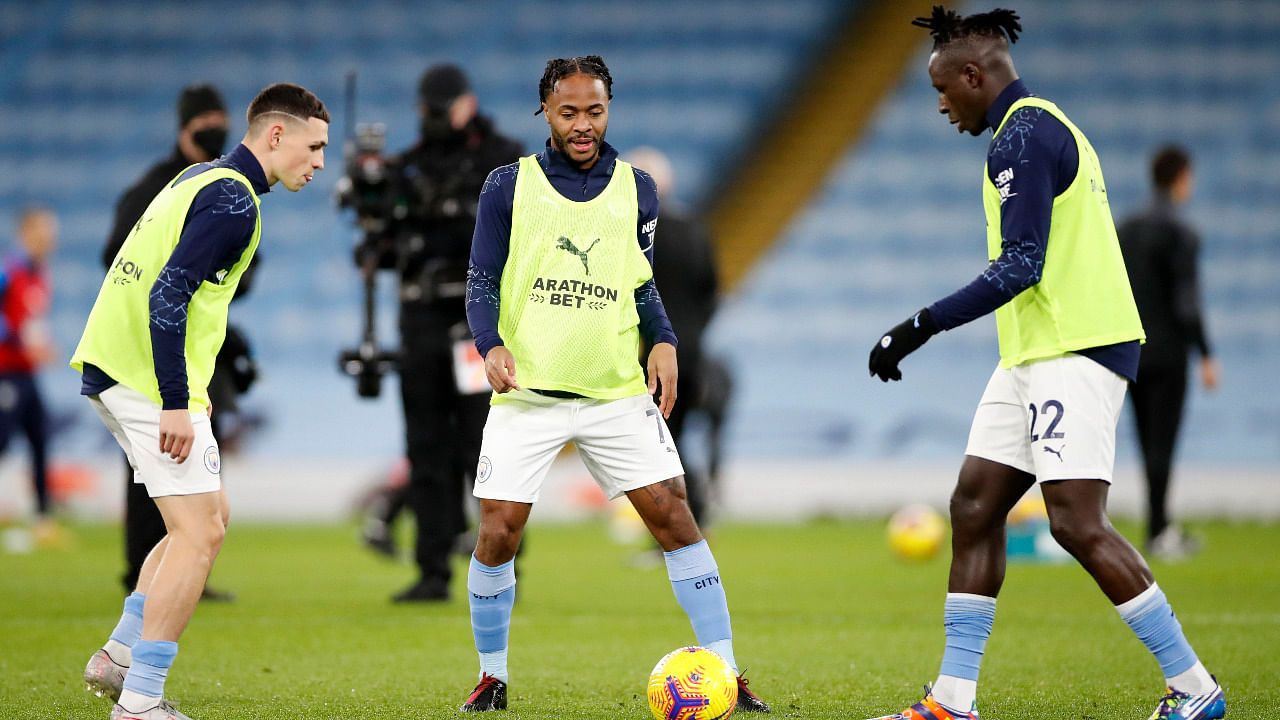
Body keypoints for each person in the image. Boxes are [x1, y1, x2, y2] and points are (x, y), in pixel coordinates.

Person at [864, 8, 1223, 720]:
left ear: (974, 76)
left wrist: (917, 326)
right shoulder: (1030, 130)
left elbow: (1021, 266)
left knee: (1074, 522)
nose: (939, 105)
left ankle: (1195, 689)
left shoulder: (1023, 135)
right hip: (1032, 351)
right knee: (974, 505)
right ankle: (954, 702)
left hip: (1077, 347)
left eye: (943, 89)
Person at [459, 56, 769, 714]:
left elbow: (640, 281)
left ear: (609, 110)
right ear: (545, 111)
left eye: (594, 111)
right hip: (529, 394)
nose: (582, 124)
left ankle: (729, 672)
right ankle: (492, 676)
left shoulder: (638, 189)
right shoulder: (507, 186)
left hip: (614, 394)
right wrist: (490, 344)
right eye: (568, 112)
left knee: (675, 518)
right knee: (499, 532)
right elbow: (482, 279)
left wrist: (663, 340)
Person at [76, 83, 329, 720]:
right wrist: (172, 399)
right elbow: (168, 296)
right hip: (144, 380)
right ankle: (139, 701)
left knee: (205, 520)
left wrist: (187, 390)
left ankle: (119, 657)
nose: (321, 161)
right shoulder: (233, 201)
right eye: (315, 145)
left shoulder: (199, 178)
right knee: (197, 535)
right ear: (277, 135)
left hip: (117, 367)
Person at [359, 64, 524, 603]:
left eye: (438, 109)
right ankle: (433, 572)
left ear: (466, 105)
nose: (430, 119)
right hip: (423, 319)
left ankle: (502, 568)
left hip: (481, 324)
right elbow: (381, 244)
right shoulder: (405, 168)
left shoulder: (504, 159)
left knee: (488, 449)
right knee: (425, 447)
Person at [103, 85, 245, 600]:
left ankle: (184, 570)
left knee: (198, 476)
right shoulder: (159, 188)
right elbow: (116, 259)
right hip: (150, 353)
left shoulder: (224, 189)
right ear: (184, 124)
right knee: (153, 477)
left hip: (202, 351)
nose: (215, 124)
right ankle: (141, 576)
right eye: (205, 117)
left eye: (220, 116)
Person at [1118, 146, 1219, 561]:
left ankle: (1157, 526)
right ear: (1179, 177)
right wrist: (1207, 354)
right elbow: (1186, 300)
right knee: (1164, 443)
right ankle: (1159, 529)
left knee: (1145, 443)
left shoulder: (1125, 228)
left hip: (1128, 350)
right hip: (1169, 353)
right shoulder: (1181, 233)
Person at [621, 146, 723, 527]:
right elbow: (712, 292)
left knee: (658, 448)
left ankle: (683, 525)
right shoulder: (694, 230)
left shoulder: (629, 236)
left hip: (644, 357)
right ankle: (688, 522)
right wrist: (692, 339)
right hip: (688, 355)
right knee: (670, 443)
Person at [0, 207, 58, 537]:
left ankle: (42, 518)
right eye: (43, 233)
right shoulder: (9, 270)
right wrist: (19, 340)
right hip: (5, 371)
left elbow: (30, 322)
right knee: (3, 441)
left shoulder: (40, 273)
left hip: (26, 373)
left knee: (40, 439)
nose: (50, 240)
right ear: (26, 233)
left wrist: (40, 345)